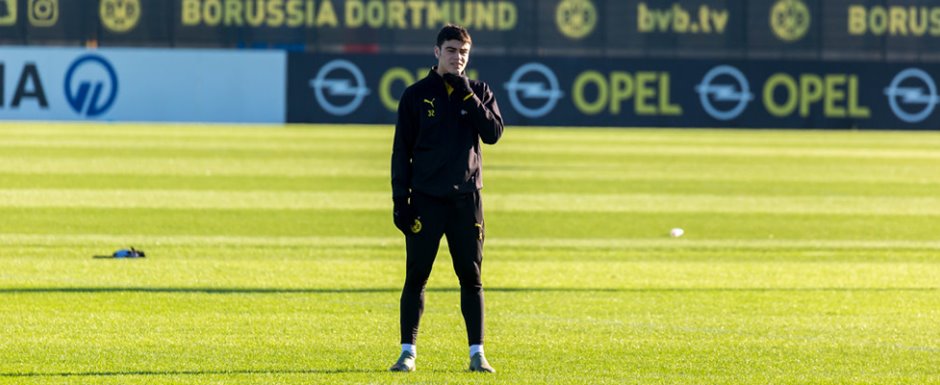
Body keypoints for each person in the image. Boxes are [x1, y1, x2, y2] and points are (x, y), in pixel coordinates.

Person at [389, 24, 504, 373]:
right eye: (452, 50)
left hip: (466, 200)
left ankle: (477, 353)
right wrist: (400, 200)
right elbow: (401, 153)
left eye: (464, 53)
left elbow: (494, 133)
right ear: (437, 52)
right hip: (425, 200)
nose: (458, 58)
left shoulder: (479, 91)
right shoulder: (416, 95)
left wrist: (468, 95)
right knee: (416, 276)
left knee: (471, 278)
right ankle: (407, 352)